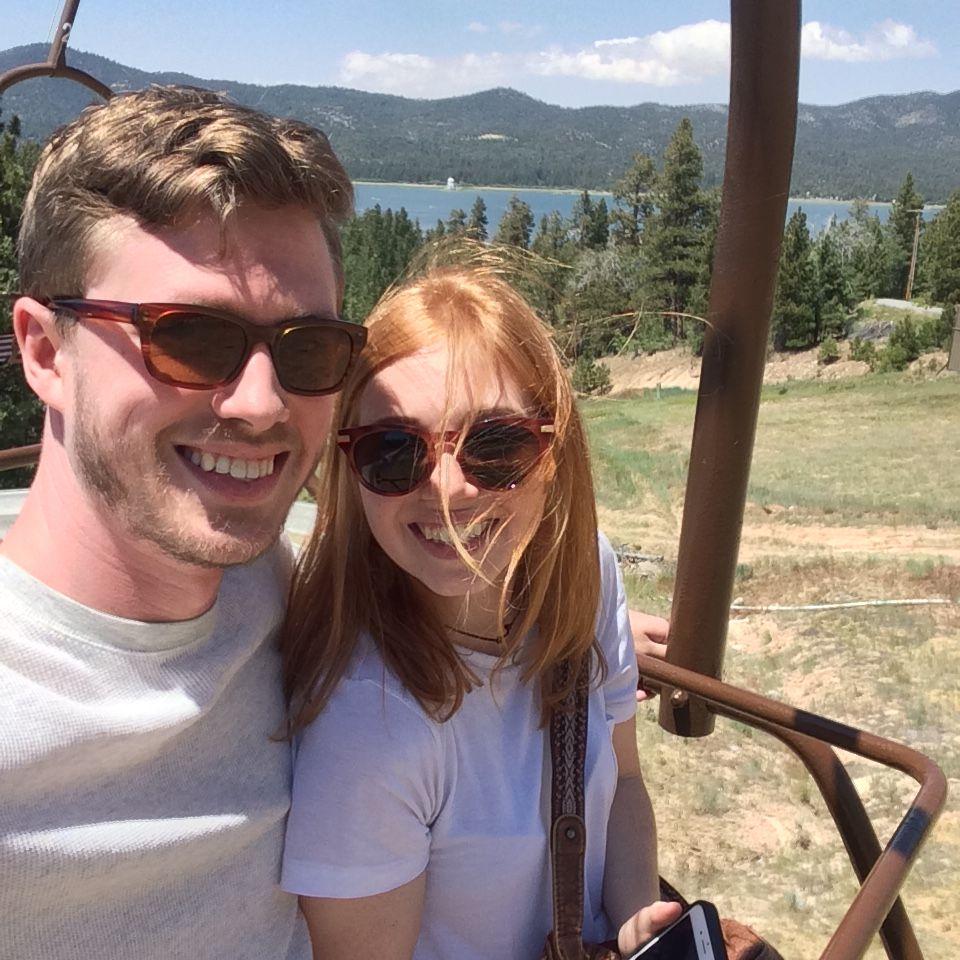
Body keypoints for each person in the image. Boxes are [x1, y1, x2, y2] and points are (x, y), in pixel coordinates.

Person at [0, 85, 360, 959]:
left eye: (309, 348)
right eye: (191, 338)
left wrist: (569, 611)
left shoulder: (282, 584)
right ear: (45, 353)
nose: (261, 403)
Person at [279, 265, 681, 960]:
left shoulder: (586, 576)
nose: (446, 490)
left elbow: (626, 787)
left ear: (554, 449)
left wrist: (637, 923)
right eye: (394, 452)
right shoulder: (370, 729)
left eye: (495, 445)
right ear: (351, 471)